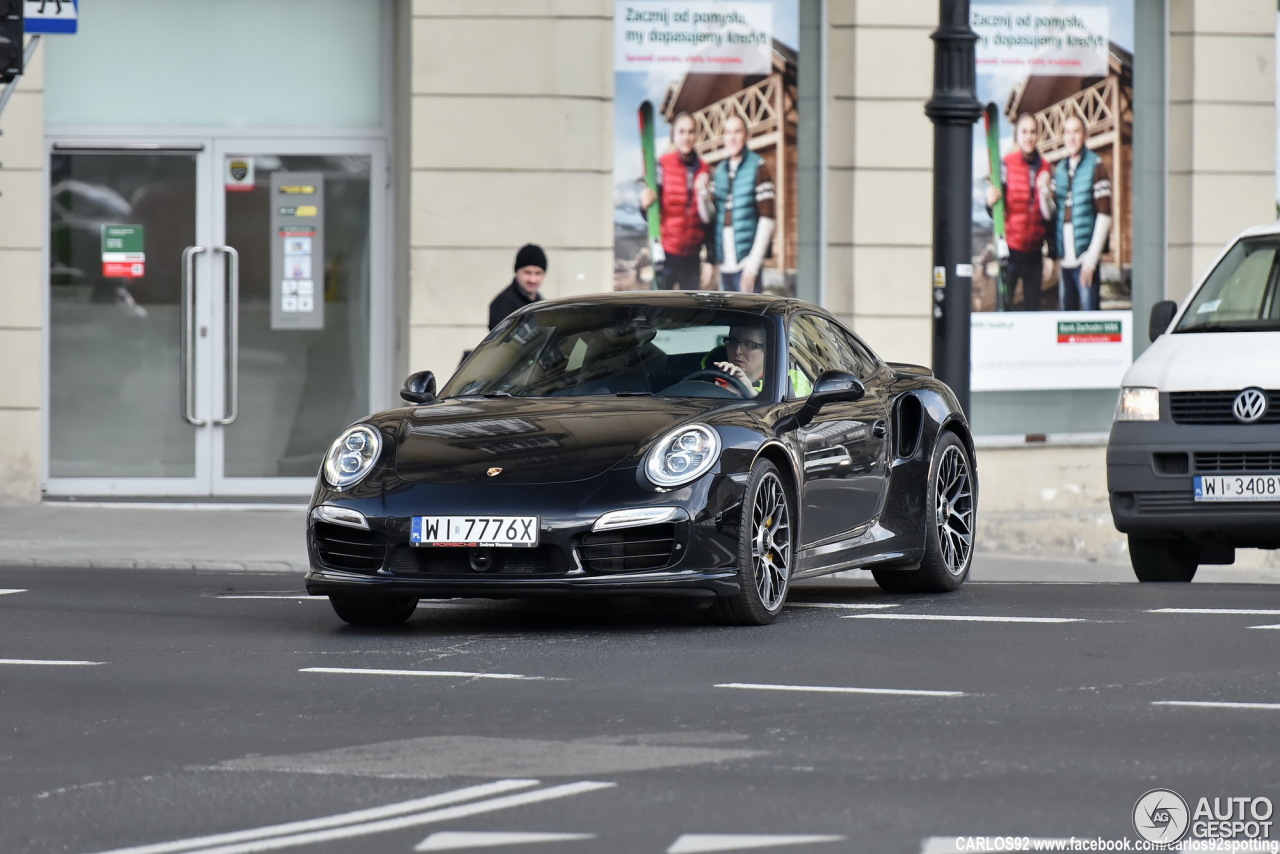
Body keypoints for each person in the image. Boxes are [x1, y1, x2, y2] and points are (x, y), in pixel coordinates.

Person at [986, 112, 1054, 311]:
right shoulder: (1007, 164)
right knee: (1005, 307)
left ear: (1037, 135)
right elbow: (996, 209)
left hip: (1034, 255)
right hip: (1011, 253)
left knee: (1032, 308)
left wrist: (1050, 254)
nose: (1029, 137)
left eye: (1033, 132)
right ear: (1017, 135)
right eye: (1024, 132)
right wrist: (990, 203)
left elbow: (1050, 217)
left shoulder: (1046, 167)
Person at [639, 112, 713, 290]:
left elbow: (709, 221)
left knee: (691, 314)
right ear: (674, 135)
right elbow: (650, 213)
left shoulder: (705, 169)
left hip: (693, 258)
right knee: (660, 312)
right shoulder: (662, 165)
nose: (686, 137)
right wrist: (643, 204)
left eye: (690, 131)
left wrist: (710, 259)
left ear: (696, 135)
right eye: (681, 132)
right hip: (667, 257)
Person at [705, 114, 775, 293]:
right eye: (728, 132)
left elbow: (767, 218)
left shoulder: (759, 166)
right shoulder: (719, 172)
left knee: (750, 320)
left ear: (746, 136)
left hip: (746, 263)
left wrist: (753, 265)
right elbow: (711, 218)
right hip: (725, 266)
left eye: (737, 131)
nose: (732, 137)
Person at [1052, 113, 1112, 311]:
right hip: (1065, 263)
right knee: (1065, 327)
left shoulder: (1096, 165)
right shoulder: (1060, 170)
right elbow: (1053, 213)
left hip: (1085, 260)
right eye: (1067, 132)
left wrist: (1092, 259)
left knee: (1089, 325)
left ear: (1084, 135)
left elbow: (1104, 215)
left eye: (1076, 131)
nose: (1071, 137)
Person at [488, 243, 546, 330]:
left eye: (538, 273)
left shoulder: (542, 304)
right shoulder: (501, 305)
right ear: (516, 271)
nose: (532, 279)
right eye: (527, 272)